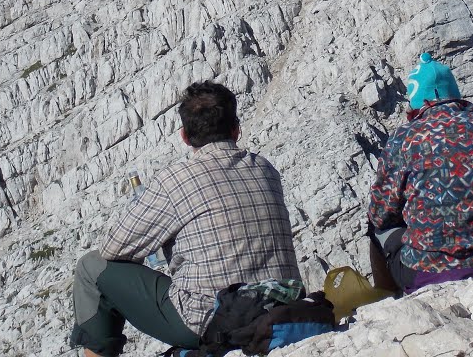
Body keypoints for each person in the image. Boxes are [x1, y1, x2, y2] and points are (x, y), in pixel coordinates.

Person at [70, 81, 302, 357]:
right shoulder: (266, 168)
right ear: (236, 129)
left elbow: (112, 248)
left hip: (212, 318)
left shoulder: (176, 180)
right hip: (281, 306)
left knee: (90, 267)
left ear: (184, 136)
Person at [367, 53, 473, 293]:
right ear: (453, 92)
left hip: (427, 271)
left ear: (416, 100)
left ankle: (391, 304)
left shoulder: (404, 138)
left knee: (375, 228)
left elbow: (380, 214)